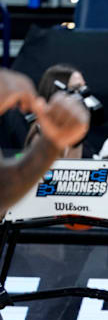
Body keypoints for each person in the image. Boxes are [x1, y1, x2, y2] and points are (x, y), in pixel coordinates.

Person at [0, 67, 90, 212]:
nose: (82, 94)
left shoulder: (64, 127)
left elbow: (4, 189)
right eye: (76, 89)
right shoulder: (39, 128)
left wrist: (52, 144)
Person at [24, 64, 93, 158]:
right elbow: (65, 170)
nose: (83, 95)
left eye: (83, 88)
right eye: (76, 89)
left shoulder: (75, 127)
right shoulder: (42, 132)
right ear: (56, 92)